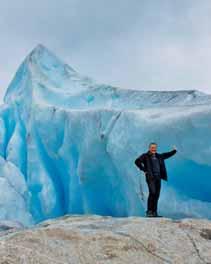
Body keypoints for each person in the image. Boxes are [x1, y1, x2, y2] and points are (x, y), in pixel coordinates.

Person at [134, 142, 177, 217]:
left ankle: (154, 212)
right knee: (152, 192)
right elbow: (137, 161)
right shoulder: (145, 156)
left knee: (157, 195)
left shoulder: (159, 156)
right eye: (152, 147)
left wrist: (174, 151)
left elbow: (167, 155)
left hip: (158, 177)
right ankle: (149, 211)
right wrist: (144, 169)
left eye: (154, 147)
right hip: (150, 178)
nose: (153, 149)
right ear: (149, 148)